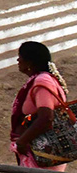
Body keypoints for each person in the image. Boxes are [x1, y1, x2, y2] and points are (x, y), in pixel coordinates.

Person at [11, 41, 68, 170]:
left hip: (42, 153)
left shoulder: (43, 81)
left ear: (30, 62)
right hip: (43, 151)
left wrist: (22, 141)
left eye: (20, 56)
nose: (18, 60)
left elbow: (46, 117)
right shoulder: (44, 79)